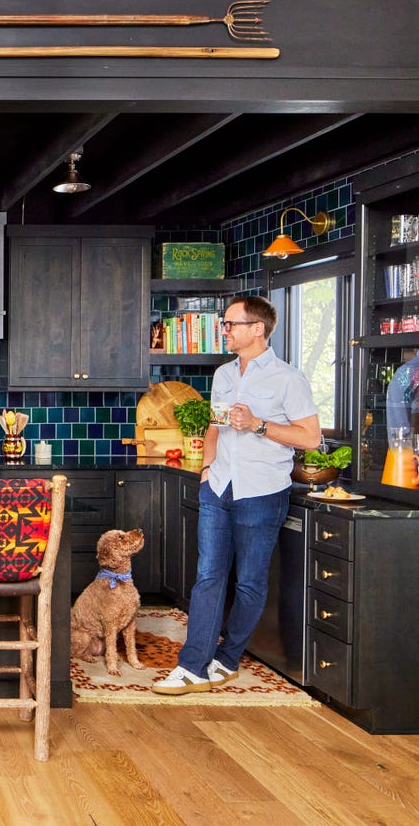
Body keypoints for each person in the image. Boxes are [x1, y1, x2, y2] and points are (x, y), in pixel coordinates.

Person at [153, 296, 321, 695]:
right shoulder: (224, 375)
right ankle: (192, 666)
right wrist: (208, 468)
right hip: (219, 486)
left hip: (262, 492)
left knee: (248, 583)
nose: (224, 330)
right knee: (208, 576)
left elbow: (310, 437)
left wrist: (259, 425)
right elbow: (215, 426)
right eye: (225, 324)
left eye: (230, 324)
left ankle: (227, 659)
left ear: (257, 329)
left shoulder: (287, 379)